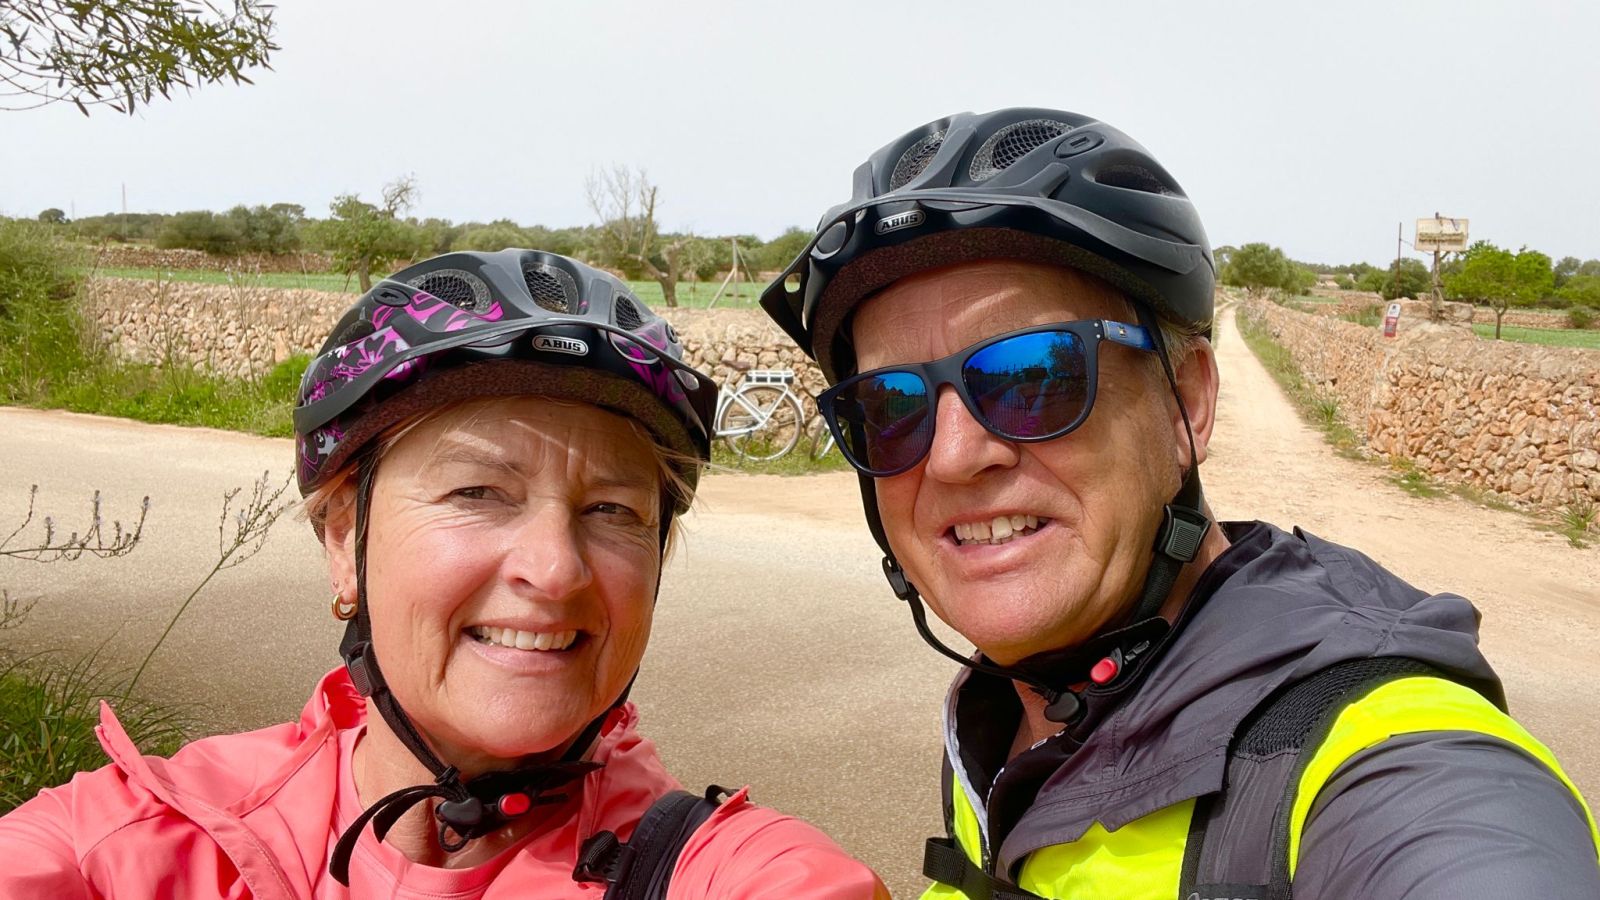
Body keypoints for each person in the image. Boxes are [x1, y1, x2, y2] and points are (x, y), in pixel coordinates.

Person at [761, 108, 1600, 898]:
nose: (951, 456)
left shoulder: (1367, 753)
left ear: (1187, 402)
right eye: (887, 407)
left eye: (1034, 376)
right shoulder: (995, 716)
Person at [0, 249, 888, 899]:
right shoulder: (153, 838)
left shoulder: (724, 876)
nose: (554, 568)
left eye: (613, 510)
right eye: (478, 491)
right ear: (344, 536)